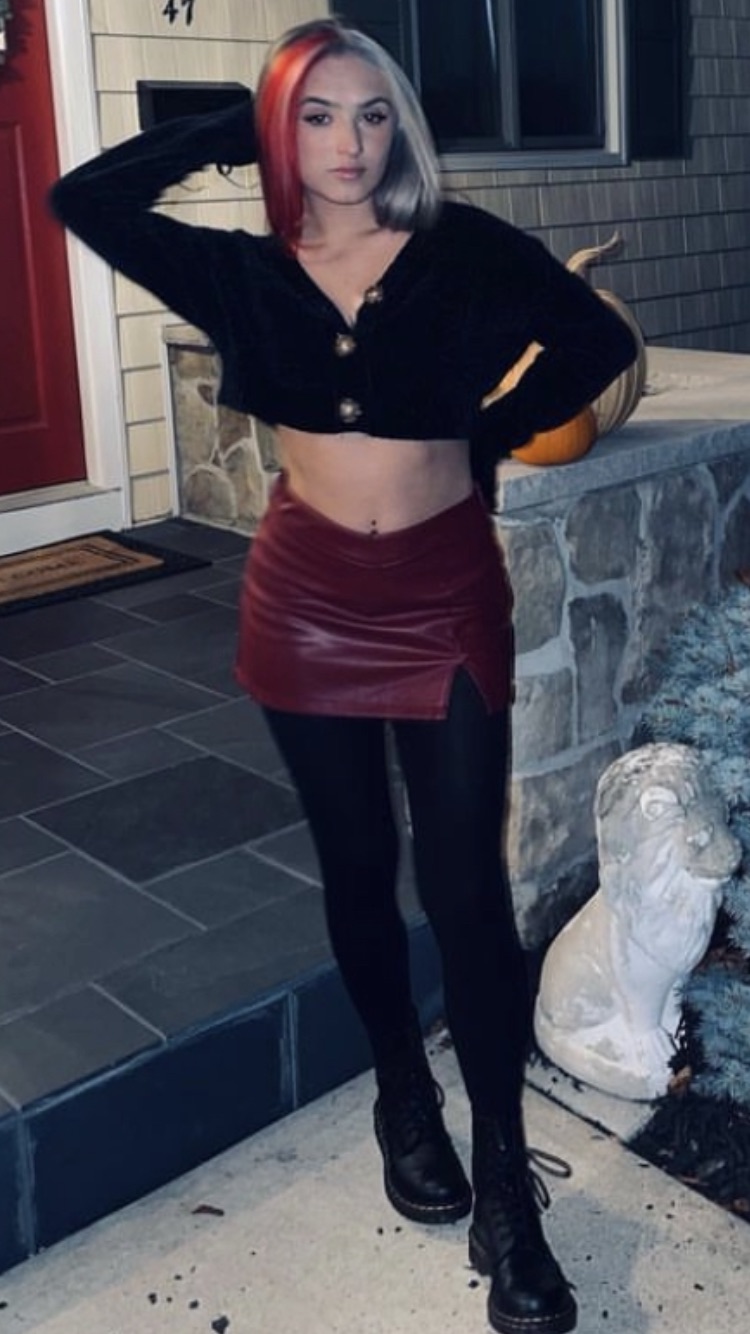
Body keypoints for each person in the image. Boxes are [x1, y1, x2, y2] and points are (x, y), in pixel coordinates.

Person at [50, 19, 637, 1334]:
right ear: (280, 132)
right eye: (315, 116)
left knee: (465, 889)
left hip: (442, 595)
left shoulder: (460, 249)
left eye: (373, 114)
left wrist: (484, 431)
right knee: (359, 870)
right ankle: (400, 1091)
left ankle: (507, 1187)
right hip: (307, 602)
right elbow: (86, 199)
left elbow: (589, 343)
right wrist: (230, 124)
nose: (349, 142)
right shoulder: (243, 272)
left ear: (401, 130)